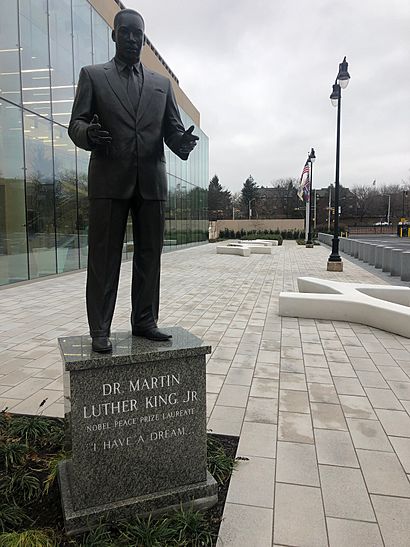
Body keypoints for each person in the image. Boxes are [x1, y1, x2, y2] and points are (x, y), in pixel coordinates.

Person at [68, 9, 198, 353]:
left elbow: (172, 130)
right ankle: (100, 329)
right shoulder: (94, 76)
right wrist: (88, 135)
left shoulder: (161, 85)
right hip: (109, 181)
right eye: (125, 33)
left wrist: (181, 143)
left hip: (151, 183)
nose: (131, 39)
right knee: (104, 259)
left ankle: (144, 321)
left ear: (143, 38)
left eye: (137, 35)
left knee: (149, 256)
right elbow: (76, 123)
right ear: (114, 35)